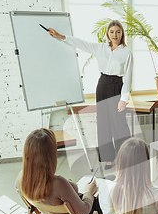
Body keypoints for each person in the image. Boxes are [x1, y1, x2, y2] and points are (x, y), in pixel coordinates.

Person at [48, 21, 132, 170]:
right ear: (107, 34)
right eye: (112, 31)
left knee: (120, 125)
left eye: (118, 32)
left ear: (122, 33)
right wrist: (60, 36)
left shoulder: (127, 53)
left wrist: (123, 99)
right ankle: (107, 158)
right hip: (102, 86)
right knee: (103, 123)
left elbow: (129, 77)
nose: (115, 35)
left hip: (117, 86)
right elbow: (81, 43)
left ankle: (124, 156)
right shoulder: (100, 48)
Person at [15, 128, 102, 214]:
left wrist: (70, 187)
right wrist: (89, 192)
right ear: (51, 155)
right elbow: (83, 212)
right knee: (104, 195)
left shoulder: (20, 179)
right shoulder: (58, 183)